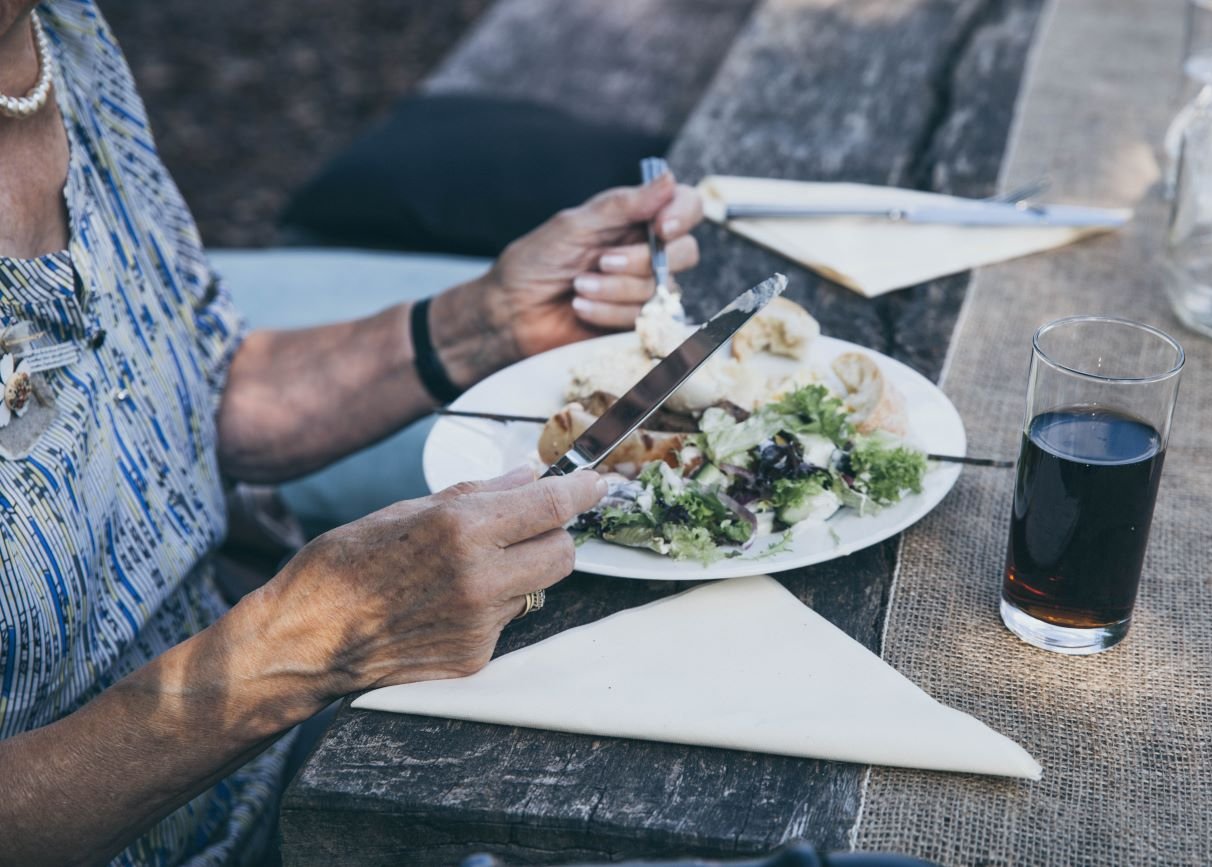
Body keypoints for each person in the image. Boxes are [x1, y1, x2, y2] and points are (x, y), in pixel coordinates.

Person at [0, 1, 703, 863]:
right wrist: (298, 646)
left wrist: (484, 323)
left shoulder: (60, 36)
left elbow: (177, 400)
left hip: (282, 764)